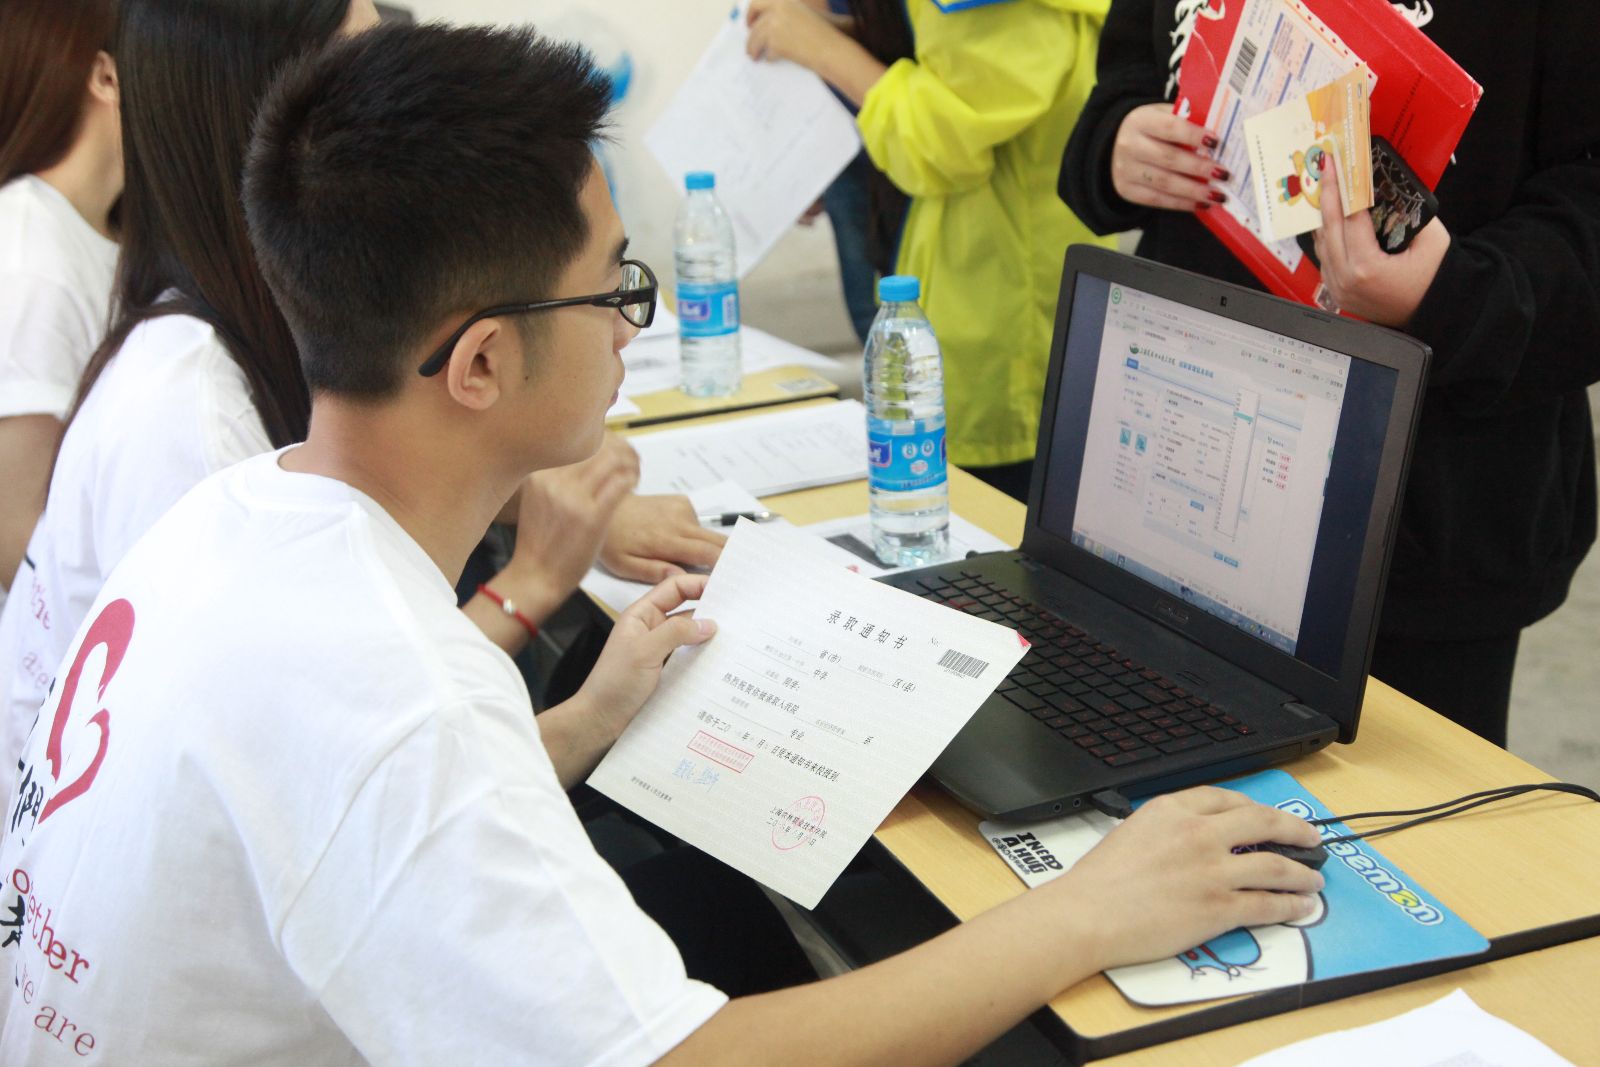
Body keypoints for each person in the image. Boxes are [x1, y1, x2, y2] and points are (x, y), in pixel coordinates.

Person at [0, 23, 1325, 1062]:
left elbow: (341, 812)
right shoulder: (398, 688)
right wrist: (1090, 907)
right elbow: (686, 1055)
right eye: (613, 287)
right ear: (479, 362)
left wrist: (579, 721)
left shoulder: (240, 513)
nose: (632, 325)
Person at [0, 0, 723, 770]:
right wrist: (533, 585)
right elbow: (342, 771)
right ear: (288, 134)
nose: (403, 95)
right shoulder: (197, 423)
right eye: (364, 75)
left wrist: (553, 510)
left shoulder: (241, 336)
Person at [1059, 1, 1600, 746]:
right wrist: (1118, 140)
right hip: (1174, 464)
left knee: (1403, 815)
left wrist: (1449, 296)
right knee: (1128, 768)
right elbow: (1139, 60)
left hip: (1417, 520)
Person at [746, 0, 1119, 500]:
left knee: (988, 523)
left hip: (995, 316)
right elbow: (947, 54)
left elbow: (944, 140)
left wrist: (824, 49)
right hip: (952, 287)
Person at [0, 0, 121, 613]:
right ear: (105, 75)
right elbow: (14, 526)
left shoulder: (109, 235)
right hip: (71, 642)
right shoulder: (30, 253)